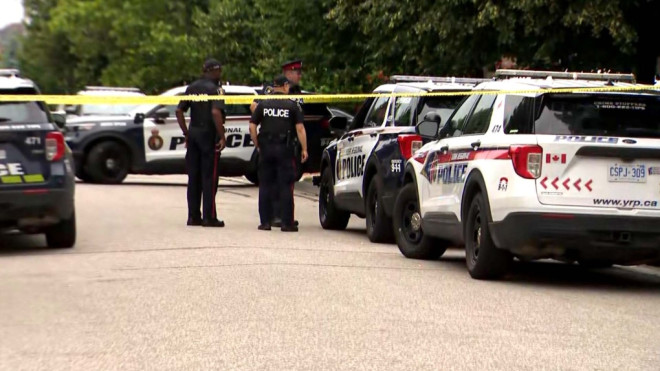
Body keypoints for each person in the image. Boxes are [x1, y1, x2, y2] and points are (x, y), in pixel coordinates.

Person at [249, 75, 308, 232]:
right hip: (285, 149)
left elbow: (252, 126)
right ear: (286, 86)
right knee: (286, 185)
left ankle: (265, 222)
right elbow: (300, 129)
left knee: (265, 185)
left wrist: (257, 144)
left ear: (274, 87)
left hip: (266, 148)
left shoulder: (263, 104)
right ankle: (286, 223)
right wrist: (304, 149)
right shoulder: (292, 106)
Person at [176, 58, 227, 228]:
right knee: (209, 178)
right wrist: (222, 135)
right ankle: (209, 217)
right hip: (208, 135)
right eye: (219, 71)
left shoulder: (192, 87)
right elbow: (215, 112)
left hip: (195, 134)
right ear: (215, 71)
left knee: (194, 177)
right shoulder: (216, 89)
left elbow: (178, 110)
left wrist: (186, 133)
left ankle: (193, 216)